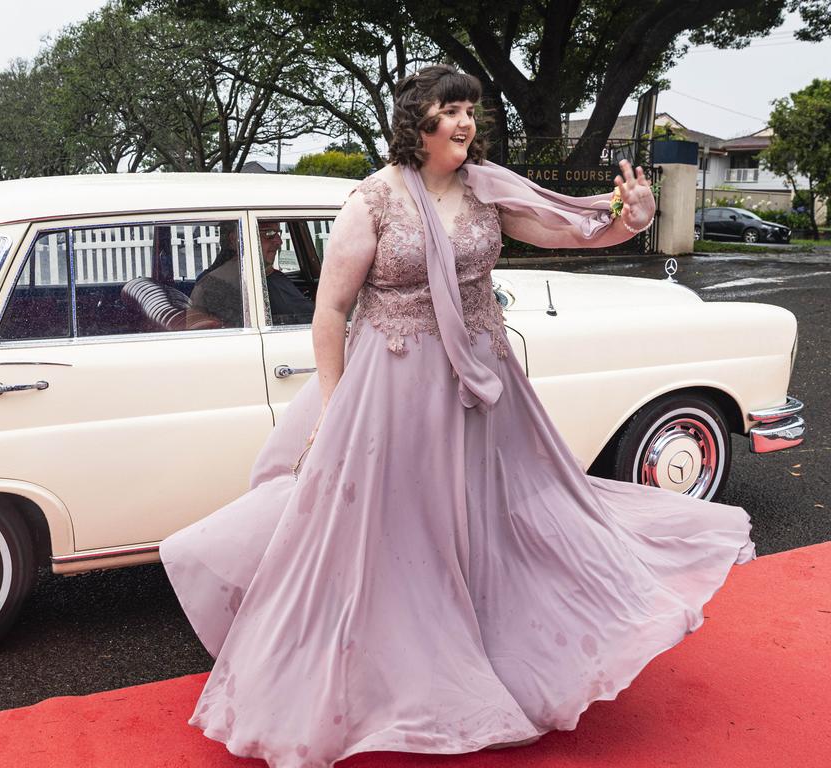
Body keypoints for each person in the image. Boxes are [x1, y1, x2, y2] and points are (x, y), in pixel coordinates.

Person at [160, 64, 754, 768]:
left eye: (471, 109)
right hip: (395, 384)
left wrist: (634, 219)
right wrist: (333, 400)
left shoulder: (487, 189)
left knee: (492, 520)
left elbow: (573, 236)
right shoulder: (373, 200)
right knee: (389, 534)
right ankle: (378, 675)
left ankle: (499, 653)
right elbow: (330, 313)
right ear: (419, 121)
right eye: (451, 109)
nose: (467, 122)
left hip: (482, 384)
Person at [191, 220, 315, 327]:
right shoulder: (265, 282)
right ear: (236, 239)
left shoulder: (205, 280)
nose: (279, 241)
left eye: (278, 233)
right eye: (269, 233)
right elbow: (315, 320)